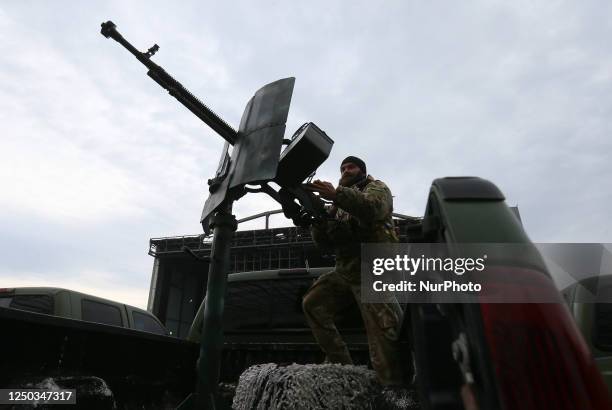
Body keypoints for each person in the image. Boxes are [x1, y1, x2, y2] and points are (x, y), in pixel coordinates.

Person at [303, 156, 404, 386]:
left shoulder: (377, 188)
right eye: (343, 168)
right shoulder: (337, 206)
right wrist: (318, 218)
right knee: (312, 303)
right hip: (347, 270)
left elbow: (373, 209)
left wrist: (336, 194)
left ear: (362, 171)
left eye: (351, 167)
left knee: (383, 334)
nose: (346, 170)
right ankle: (344, 369)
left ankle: (395, 392)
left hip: (373, 271)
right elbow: (325, 244)